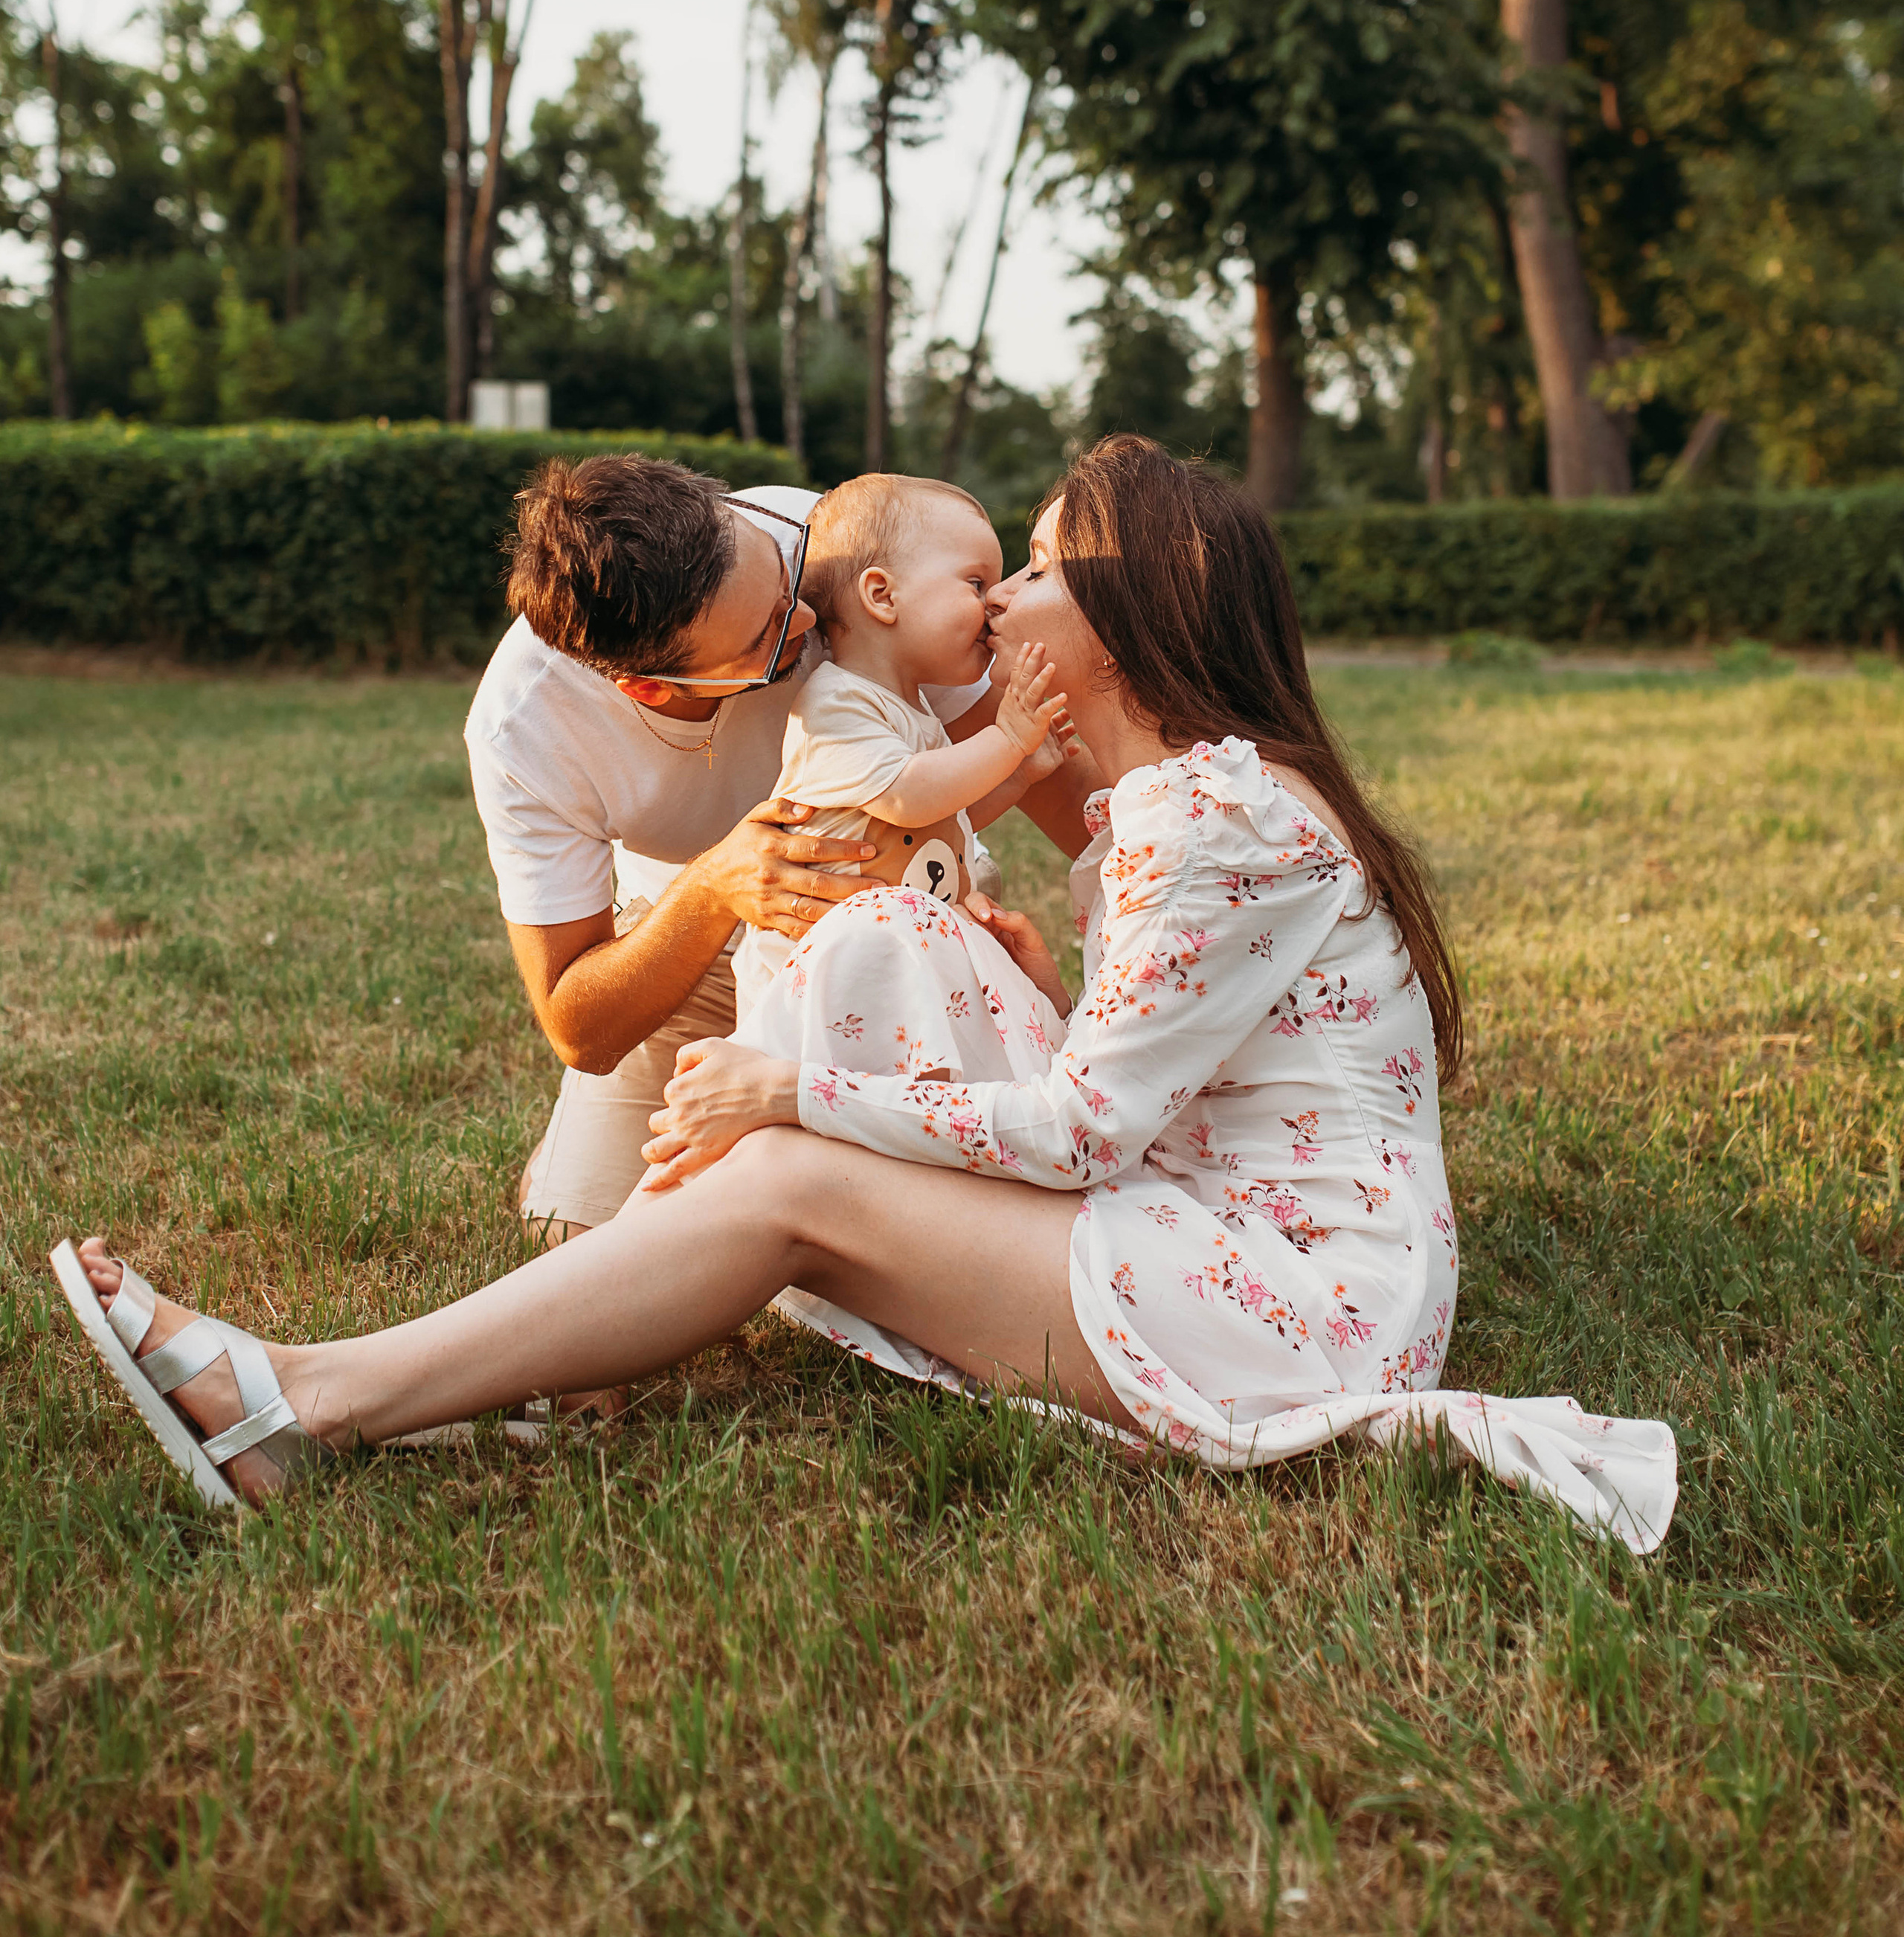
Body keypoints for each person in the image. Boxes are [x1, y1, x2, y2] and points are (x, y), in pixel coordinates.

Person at [51, 437, 1678, 1554]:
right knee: (867, 966)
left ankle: (310, 1400)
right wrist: (983, 955)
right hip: (1172, 1203)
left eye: (1029, 568)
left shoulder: (1203, 815)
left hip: (1295, 1310)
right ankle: (515, 1356)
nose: (993, 603)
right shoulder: (1189, 802)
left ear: (1108, 630)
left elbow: (1088, 1124)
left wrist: (791, 1093)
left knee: (786, 1176)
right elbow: (586, 1015)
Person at [462, 453, 1088, 1241]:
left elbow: (1047, 779)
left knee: (945, 1195)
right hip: (692, 946)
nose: (808, 623)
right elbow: (578, 1027)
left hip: (884, 941)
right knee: (581, 1236)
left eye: (787, 589)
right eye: (766, 637)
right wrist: (713, 886)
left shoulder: (832, 546)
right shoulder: (528, 726)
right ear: (651, 688)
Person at [730, 472, 1075, 1023]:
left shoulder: (913, 712)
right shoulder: (835, 706)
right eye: (975, 583)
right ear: (883, 596)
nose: (993, 605)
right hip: (811, 985)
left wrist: (1020, 776)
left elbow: (943, 817)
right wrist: (1007, 739)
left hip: (880, 975)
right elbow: (906, 800)